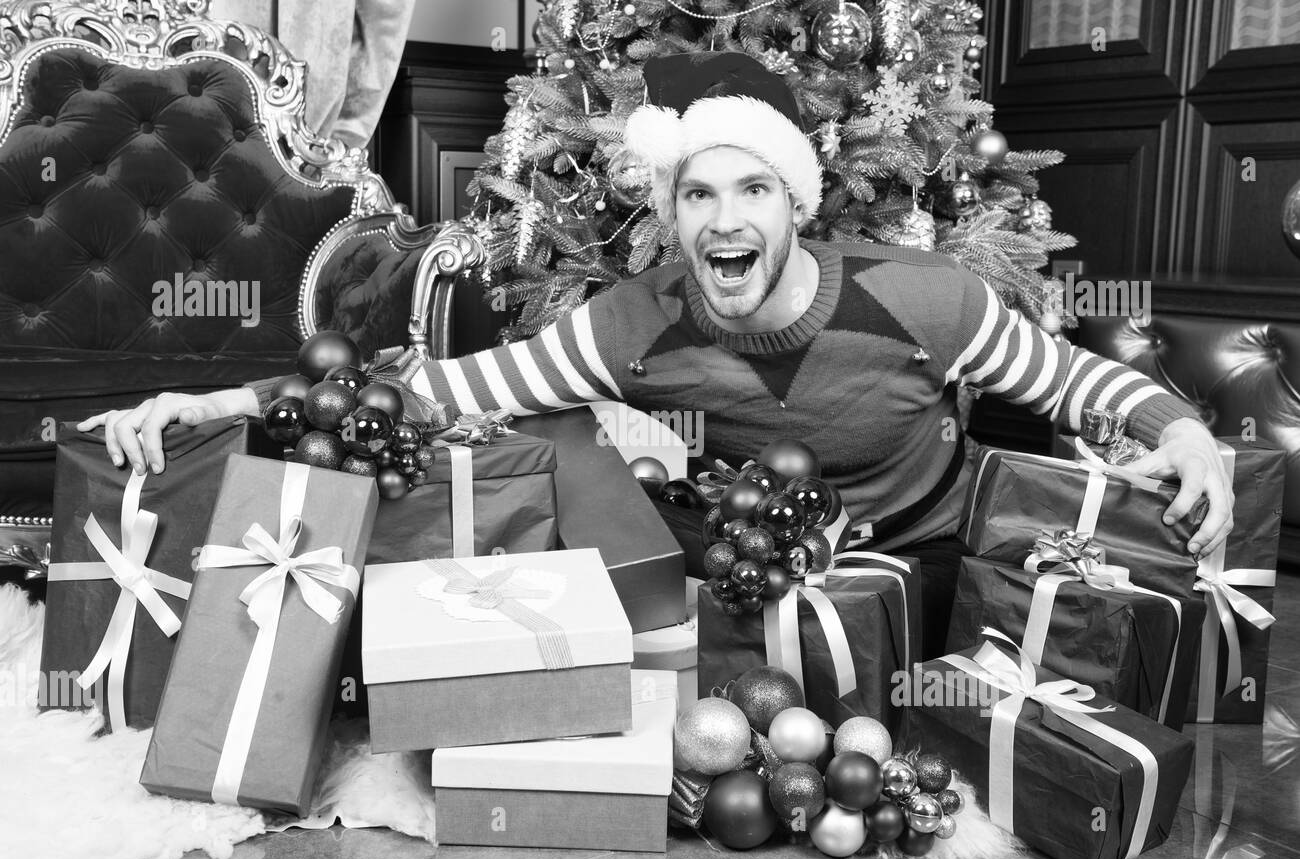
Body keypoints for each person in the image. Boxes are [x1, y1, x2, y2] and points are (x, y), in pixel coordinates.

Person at [79, 53, 1233, 656]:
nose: (725, 218)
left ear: (794, 204)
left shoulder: (923, 296)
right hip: (757, 565)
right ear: (670, 214)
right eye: (697, 194)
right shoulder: (634, 320)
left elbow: (1074, 380)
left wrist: (1180, 431)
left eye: (752, 190)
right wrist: (213, 402)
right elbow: (429, 390)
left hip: (926, 562)